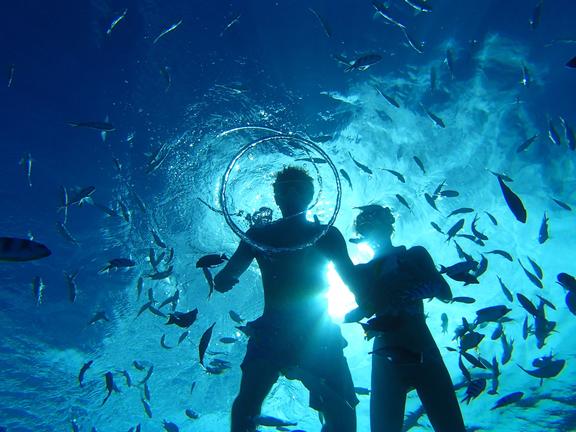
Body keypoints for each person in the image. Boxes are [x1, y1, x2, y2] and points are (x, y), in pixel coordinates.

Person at [214, 167, 359, 432]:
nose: (291, 192)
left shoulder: (320, 234)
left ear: (310, 196)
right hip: (288, 330)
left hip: (310, 331)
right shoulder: (259, 235)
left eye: (297, 188)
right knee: (249, 402)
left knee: (340, 408)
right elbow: (227, 276)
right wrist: (222, 279)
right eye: (286, 188)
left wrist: (223, 280)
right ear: (277, 196)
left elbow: (352, 279)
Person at [348, 205, 466, 432]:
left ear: (389, 225)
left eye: (376, 223)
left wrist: (418, 275)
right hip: (392, 351)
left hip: (417, 347)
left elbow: (445, 293)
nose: (374, 231)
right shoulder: (364, 271)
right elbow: (365, 309)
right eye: (367, 227)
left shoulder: (415, 255)